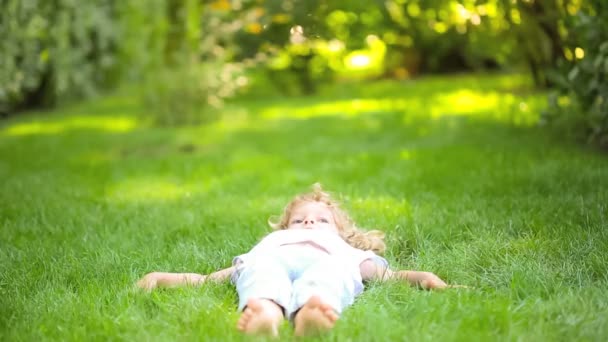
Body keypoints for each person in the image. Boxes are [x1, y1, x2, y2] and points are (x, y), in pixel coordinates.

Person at [137, 184, 453, 337]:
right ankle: (266, 313)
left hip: (329, 262)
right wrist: (162, 277)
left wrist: (426, 277)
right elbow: (210, 278)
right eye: (299, 220)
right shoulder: (270, 246)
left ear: (341, 231)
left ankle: (312, 314)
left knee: (328, 276)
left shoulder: (345, 251)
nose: (308, 224)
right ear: (285, 227)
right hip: (270, 262)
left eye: (320, 220)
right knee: (260, 273)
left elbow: (392, 276)